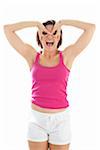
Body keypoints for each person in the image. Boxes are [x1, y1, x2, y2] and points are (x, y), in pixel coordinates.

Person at [4, 19, 95, 150]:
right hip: (37, 119)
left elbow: (91, 28)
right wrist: (35, 24)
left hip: (60, 121)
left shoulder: (67, 56)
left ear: (59, 37)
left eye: (54, 32)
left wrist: (63, 22)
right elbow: (7, 29)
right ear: (39, 37)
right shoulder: (32, 55)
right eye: (45, 33)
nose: (49, 36)